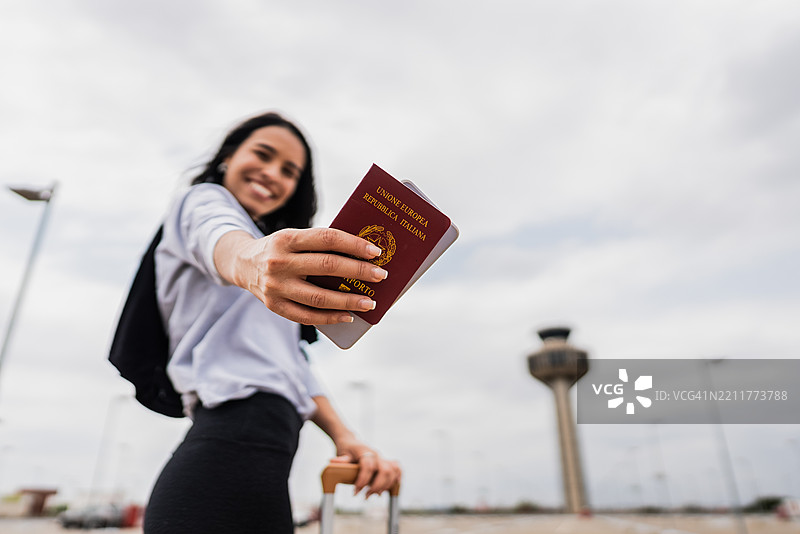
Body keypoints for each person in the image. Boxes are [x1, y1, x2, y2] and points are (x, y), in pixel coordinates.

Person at [142, 112, 401, 533]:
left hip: (262, 457)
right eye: (262, 155)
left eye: (289, 171)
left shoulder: (275, 276)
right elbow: (220, 238)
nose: (272, 174)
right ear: (229, 155)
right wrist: (252, 262)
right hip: (229, 451)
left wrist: (345, 437)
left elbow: (292, 366)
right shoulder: (204, 202)